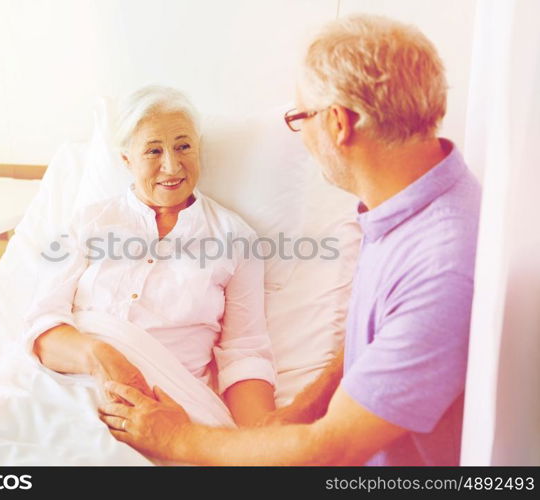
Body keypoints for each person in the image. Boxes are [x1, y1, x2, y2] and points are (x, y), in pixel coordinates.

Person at [99, 14, 482, 465]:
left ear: (339, 123)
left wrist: (173, 437)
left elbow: (329, 450)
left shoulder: (441, 266)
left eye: (301, 117)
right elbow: (383, 334)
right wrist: (302, 408)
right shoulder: (409, 199)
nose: (300, 136)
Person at [28, 85, 276, 427]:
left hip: (167, 409)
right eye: (153, 151)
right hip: (63, 387)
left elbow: (245, 355)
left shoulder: (237, 239)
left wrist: (263, 446)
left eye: (183, 147)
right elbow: (42, 325)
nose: (172, 166)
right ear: (126, 159)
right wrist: (101, 356)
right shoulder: (87, 222)